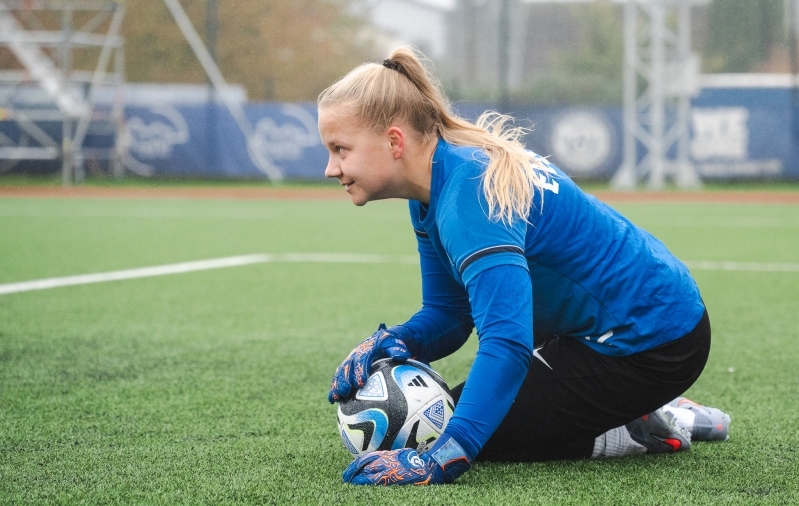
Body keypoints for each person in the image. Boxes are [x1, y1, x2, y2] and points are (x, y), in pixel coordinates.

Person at [318, 47, 730, 487]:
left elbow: (508, 342)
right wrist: (396, 341)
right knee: (478, 410)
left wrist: (445, 457)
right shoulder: (438, 185)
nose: (330, 168)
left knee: (477, 432)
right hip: (622, 322)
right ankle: (637, 405)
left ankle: (643, 424)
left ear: (395, 141)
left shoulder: (467, 197)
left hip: (654, 343)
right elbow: (453, 315)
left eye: (340, 149)